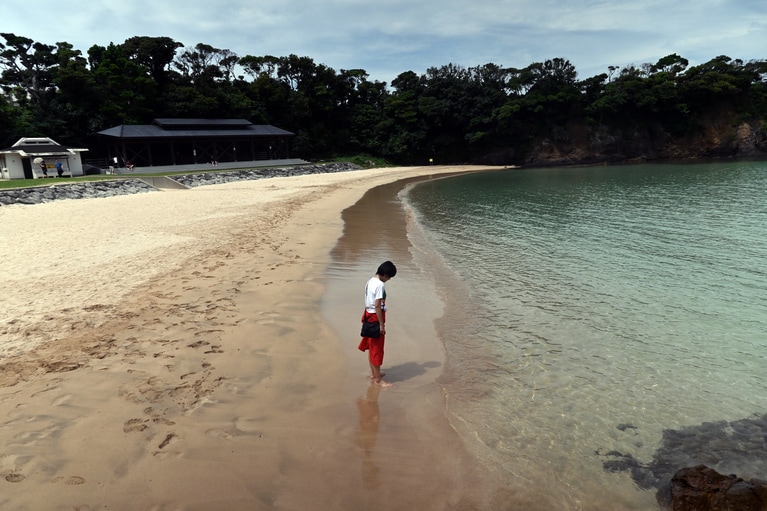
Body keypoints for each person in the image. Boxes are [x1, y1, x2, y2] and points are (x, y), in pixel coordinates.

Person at [358, 261, 397, 387]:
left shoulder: (370, 281)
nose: (388, 280)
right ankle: (378, 380)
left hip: (368, 315)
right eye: (389, 277)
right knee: (377, 349)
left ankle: (375, 373)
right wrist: (381, 325)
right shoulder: (380, 285)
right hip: (375, 317)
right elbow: (377, 306)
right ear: (385, 274)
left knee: (371, 347)